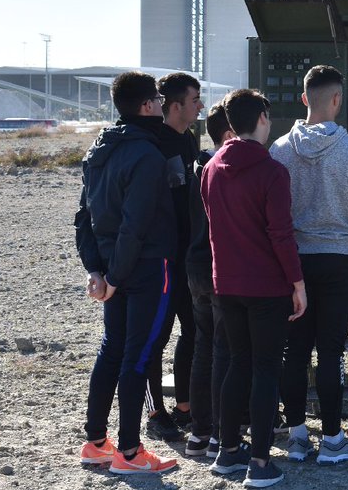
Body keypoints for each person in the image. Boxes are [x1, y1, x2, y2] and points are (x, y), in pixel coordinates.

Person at [270, 65, 348, 464]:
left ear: (304, 99)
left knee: (293, 351)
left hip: (293, 262)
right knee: (330, 351)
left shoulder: (279, 149)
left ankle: (298, 435)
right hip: (339, 261)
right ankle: (333, 439)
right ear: (337, 99)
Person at [73, 71, 178, 475]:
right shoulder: (147, 156)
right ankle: (131, 454)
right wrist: (111, 276)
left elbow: (85, 217)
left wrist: (96, 270)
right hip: (147, 267)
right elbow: (136, 224)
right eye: (157, 98)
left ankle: (96, 442)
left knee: (111, 350)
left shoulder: (99, 149)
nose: (161, 104)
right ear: (147, 106)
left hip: (113, 270)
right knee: (137, 358)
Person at [200, 89, 306, 489]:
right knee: (265, 369)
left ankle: (228, 451)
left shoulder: (211, 168)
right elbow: (281, 234)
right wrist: (297, 283)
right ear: (262, 117)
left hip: (225, 283)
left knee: (237, 363)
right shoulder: (272, 171)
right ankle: (260, 463)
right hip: (266, 287)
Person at [144, 72, 204, 441]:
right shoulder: (152, 143)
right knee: (157, 337)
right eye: (195, 99)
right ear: (176, 105)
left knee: (194, 332)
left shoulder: (190, 139)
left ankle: (185, 405)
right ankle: (155, 411)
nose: (200, 106)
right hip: (161, 260)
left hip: (189, 256)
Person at [183, 103, 235, 458]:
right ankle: (219, 432)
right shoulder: (225, 169)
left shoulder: (198, 165)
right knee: (223, 351)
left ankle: (199, 433)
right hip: (219, 269)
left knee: (203, 348)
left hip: (195, 266)